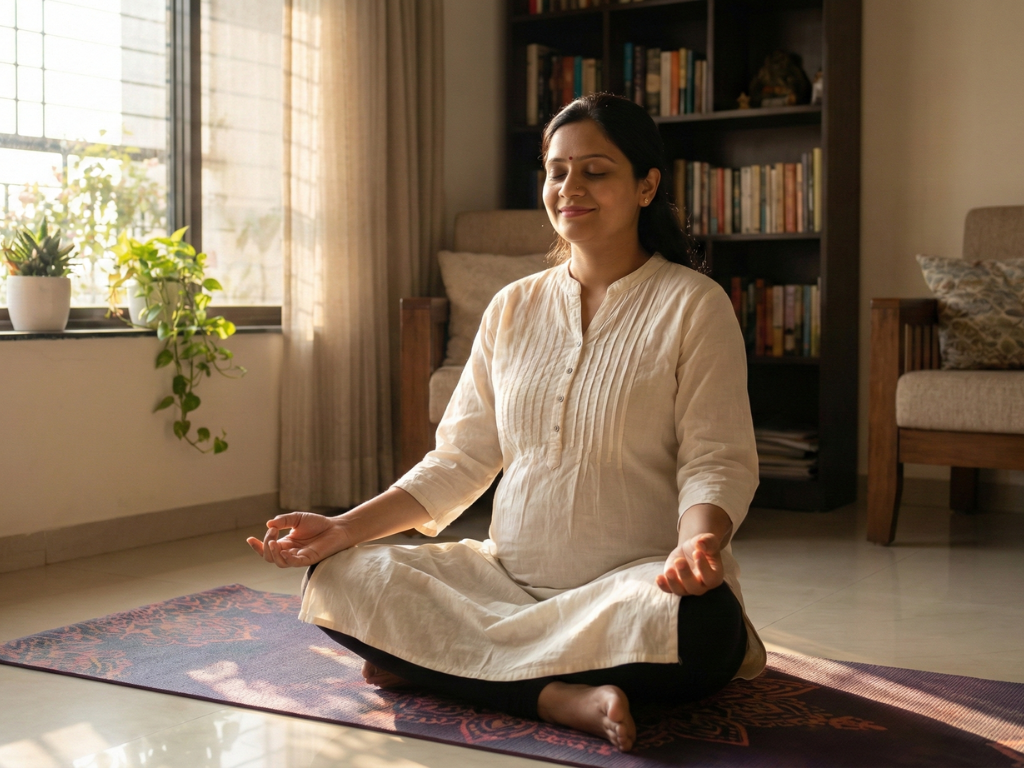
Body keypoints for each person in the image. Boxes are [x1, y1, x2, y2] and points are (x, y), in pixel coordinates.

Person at [248, 93, 765, 753]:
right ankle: (554, 694)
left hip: (630, 585)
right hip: (503, 587)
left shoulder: (694, 304)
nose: (569, 187)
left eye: (595, 171)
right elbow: (459, 461)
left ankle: (441, 663)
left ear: (646, 185)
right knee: (338, 576)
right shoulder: (512, 308)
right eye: (556, 171)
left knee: (707, 626)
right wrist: (341, 528)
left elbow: (715, 459)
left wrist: (698, 548)